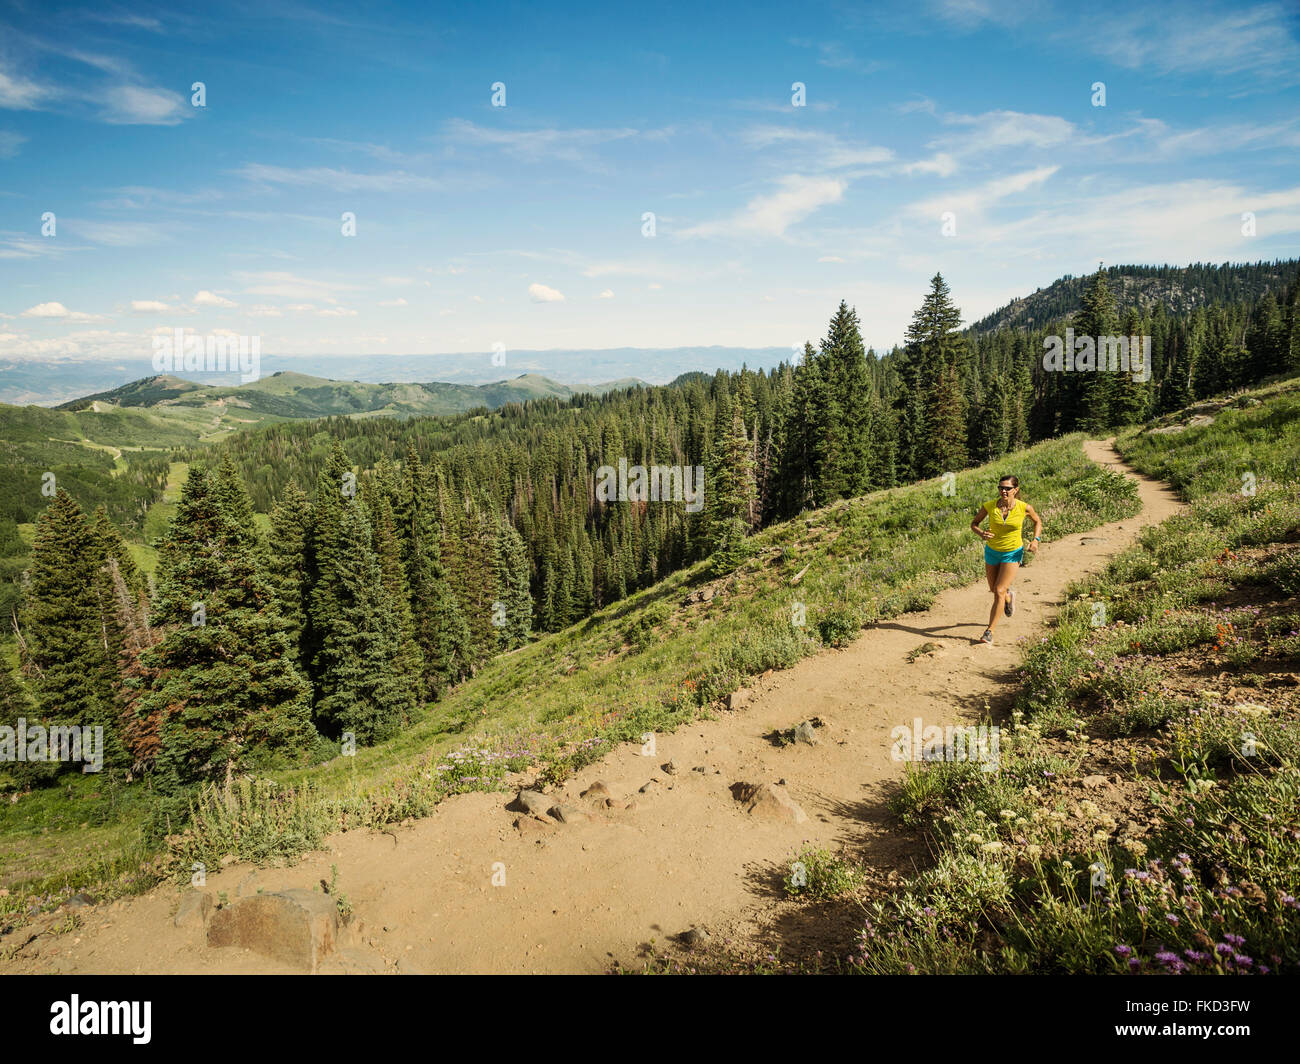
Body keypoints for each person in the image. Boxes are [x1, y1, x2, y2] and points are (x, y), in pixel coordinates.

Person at [969, 475, 1042, 644]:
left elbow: (1037, 521)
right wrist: (981, 533)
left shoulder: (1024, 507)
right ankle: (1009, 597)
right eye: (1001, 487)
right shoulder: (989, 506)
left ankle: (989, 631)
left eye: (1007, 488)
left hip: (1012, 552)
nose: (1003, 491)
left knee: (999, 590)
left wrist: (1035, 541)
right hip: (992, 552)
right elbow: (974, 523)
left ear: (1015, 490)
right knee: (994, 590)